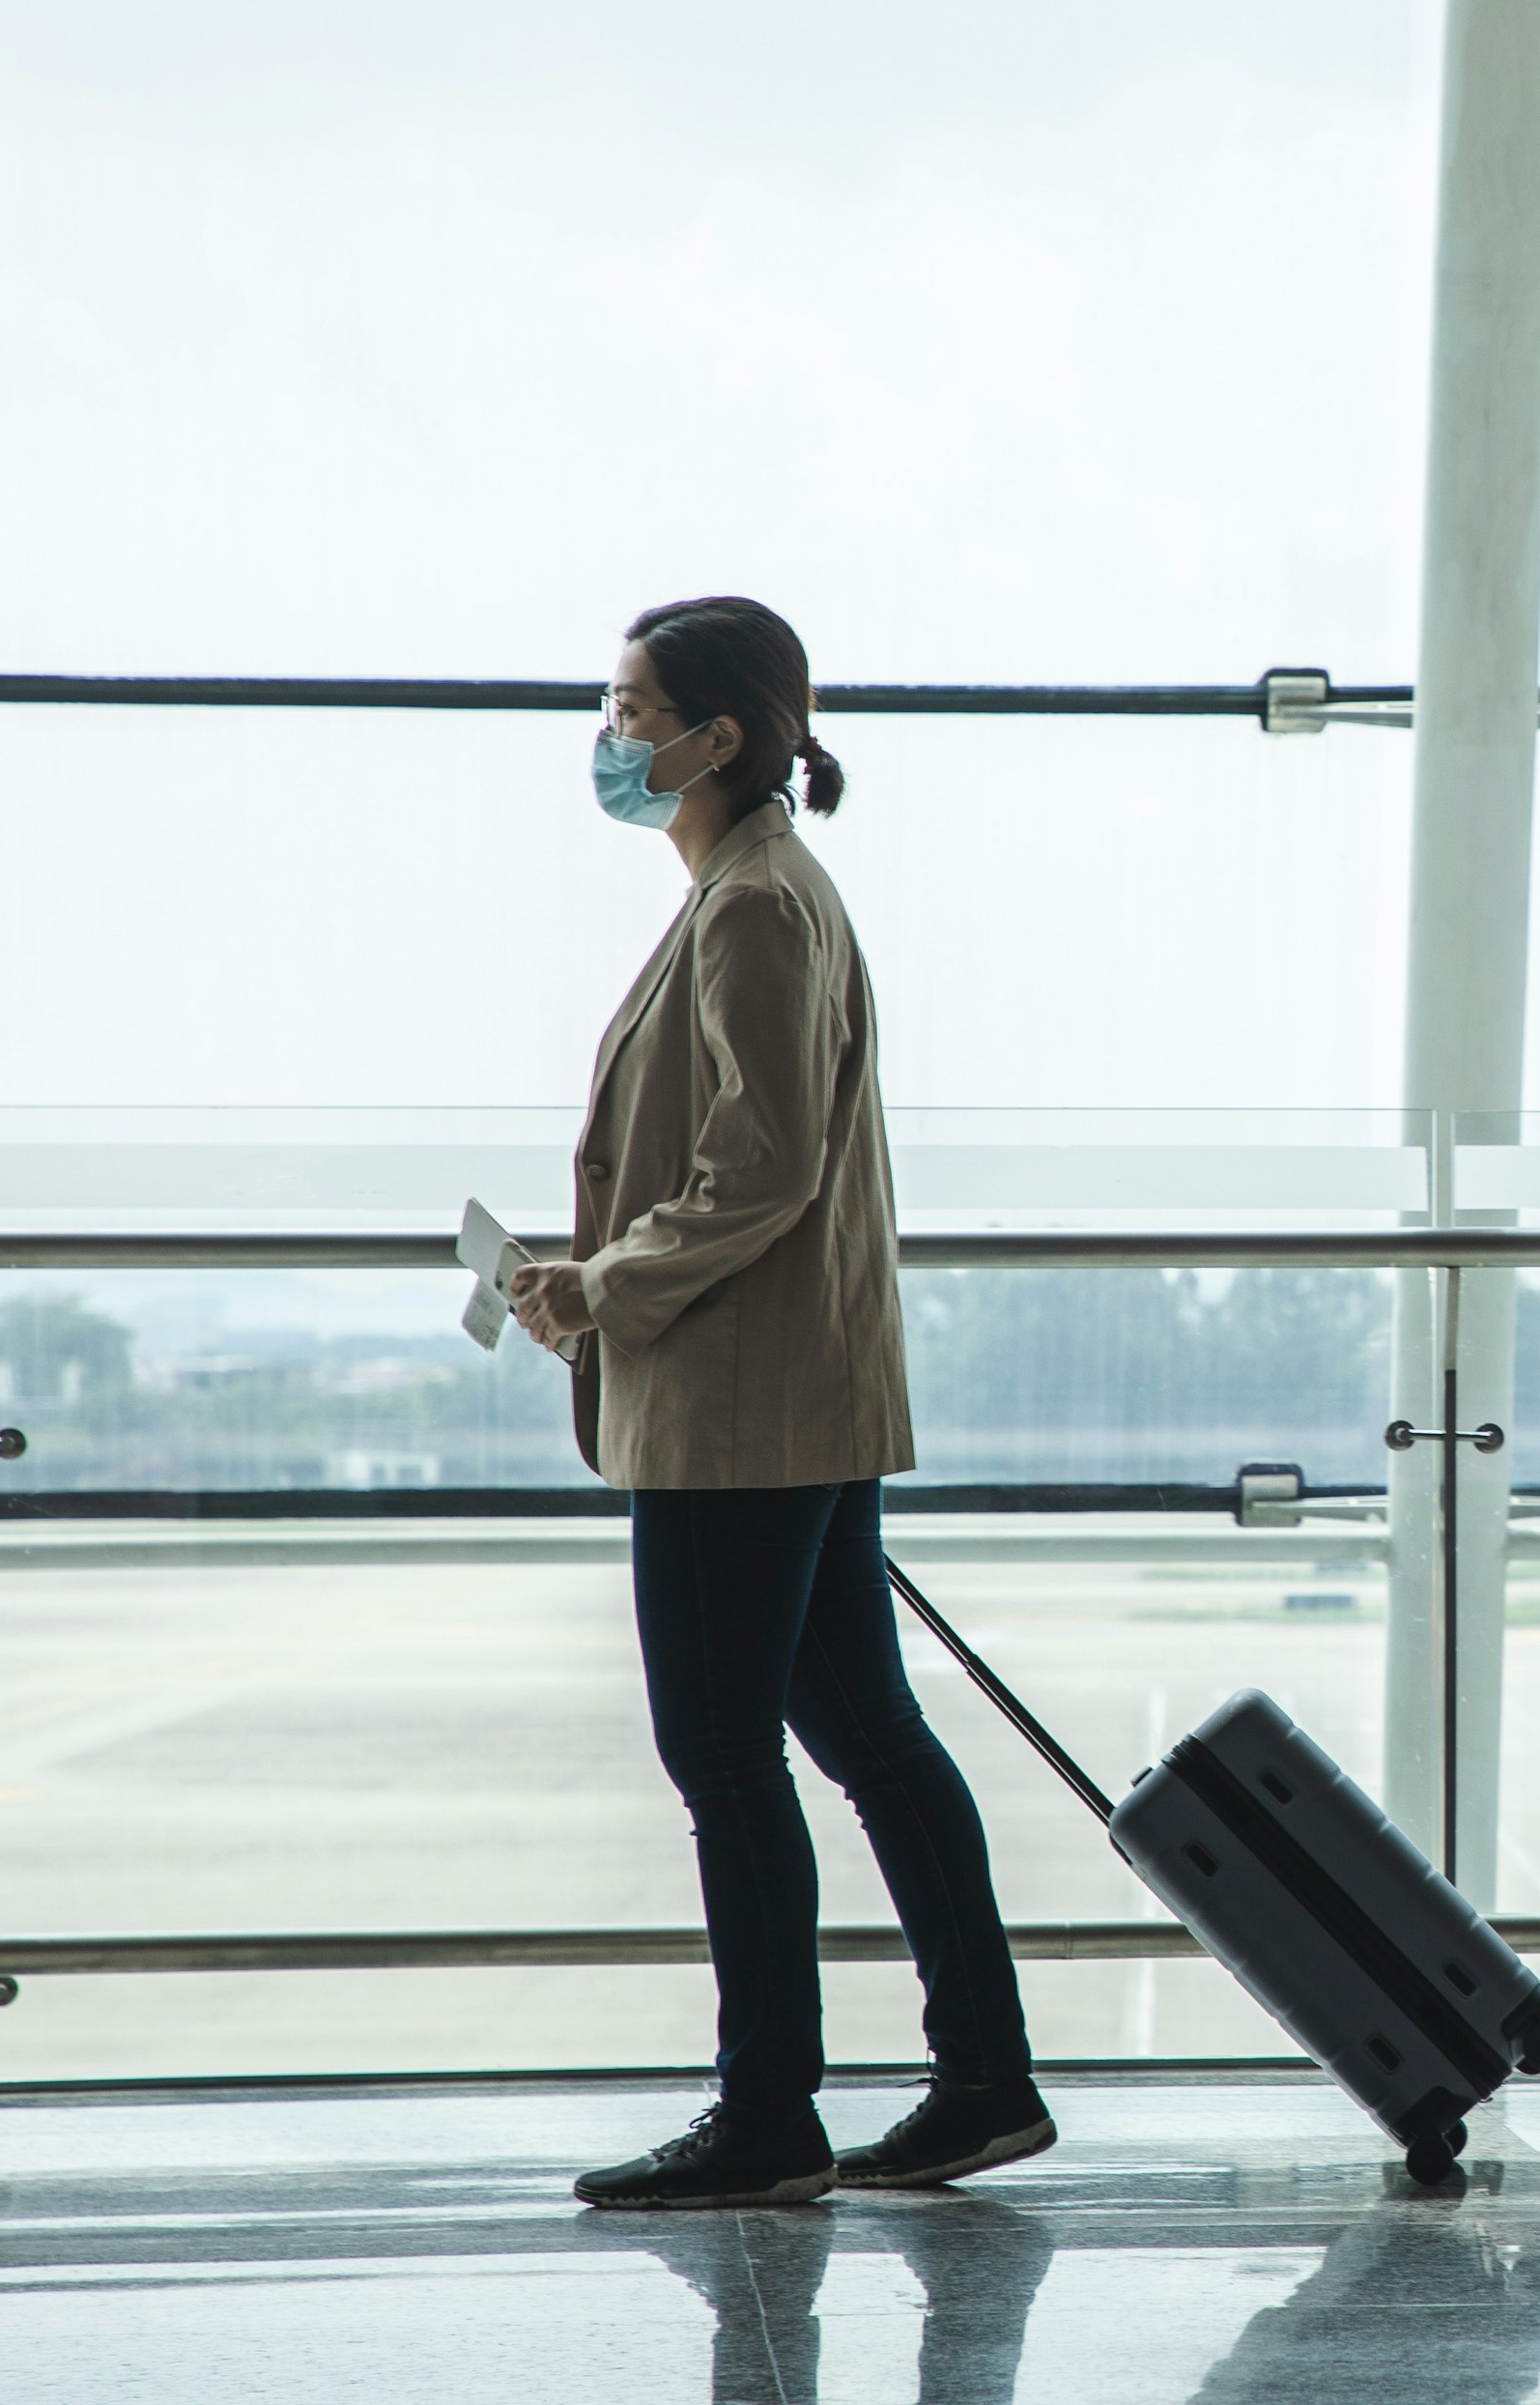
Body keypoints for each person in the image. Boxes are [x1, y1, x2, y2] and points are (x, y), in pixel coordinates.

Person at [512, 595, 1051, 2209]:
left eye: (630, 707)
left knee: (728, 1756)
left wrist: (603, 1287)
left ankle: (770, 2118)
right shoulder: (761, 891)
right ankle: (983, 2082)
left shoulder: (754, 907)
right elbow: (741, 1168)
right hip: (795, 1392)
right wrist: (596, 1270)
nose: (611, 735)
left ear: (715, 736)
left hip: (742, 1414)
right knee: (865, 1734)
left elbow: (755, 1171)